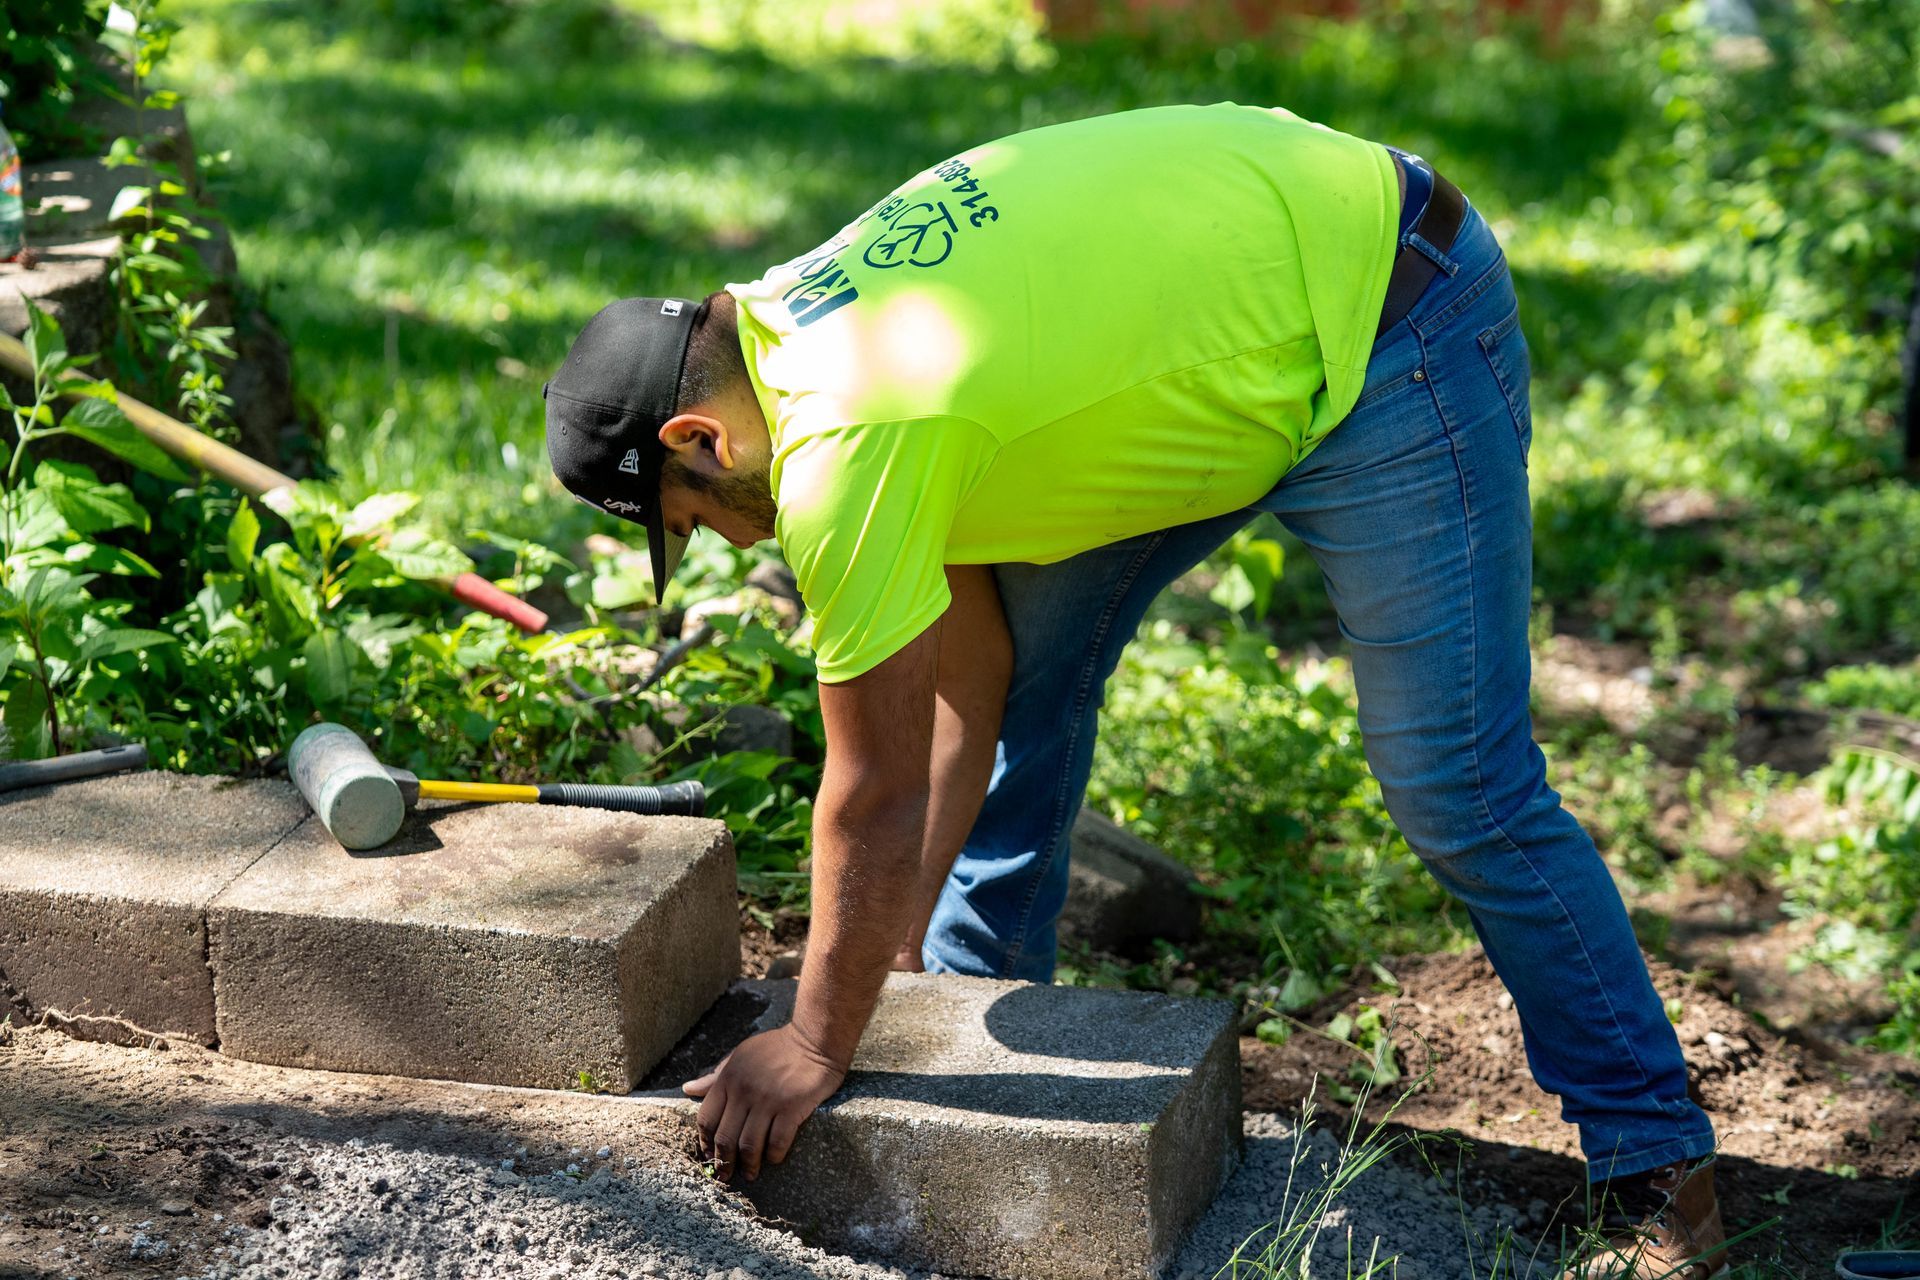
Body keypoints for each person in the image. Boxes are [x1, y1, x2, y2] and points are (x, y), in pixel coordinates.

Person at [542, 102, 1726, 1277]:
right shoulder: (799, 332)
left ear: (698, 434)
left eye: (693, 517)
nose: (731, 547)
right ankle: (968, 1035)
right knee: (1033, 677)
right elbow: (977, 670)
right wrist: (883, 943)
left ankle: (1656, 1164)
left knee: (1460, 783)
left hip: (1386, 320)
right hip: (1225, 332)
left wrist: (811, 1031)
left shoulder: (847, 441)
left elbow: (874, 791)